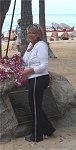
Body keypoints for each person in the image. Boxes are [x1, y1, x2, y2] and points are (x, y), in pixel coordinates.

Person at [20, 23, 56, 142]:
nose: (31, 35)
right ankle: (48, 129)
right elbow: (26, 61)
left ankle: (37, 135)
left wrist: (28, 71)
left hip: (39, 78)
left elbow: (44, 65)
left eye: (33, 33)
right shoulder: (31, 45)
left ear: (38, 34)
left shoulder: (41, 46)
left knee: (34, 107)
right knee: (37, 107)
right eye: (29, 32)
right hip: (33, 79)